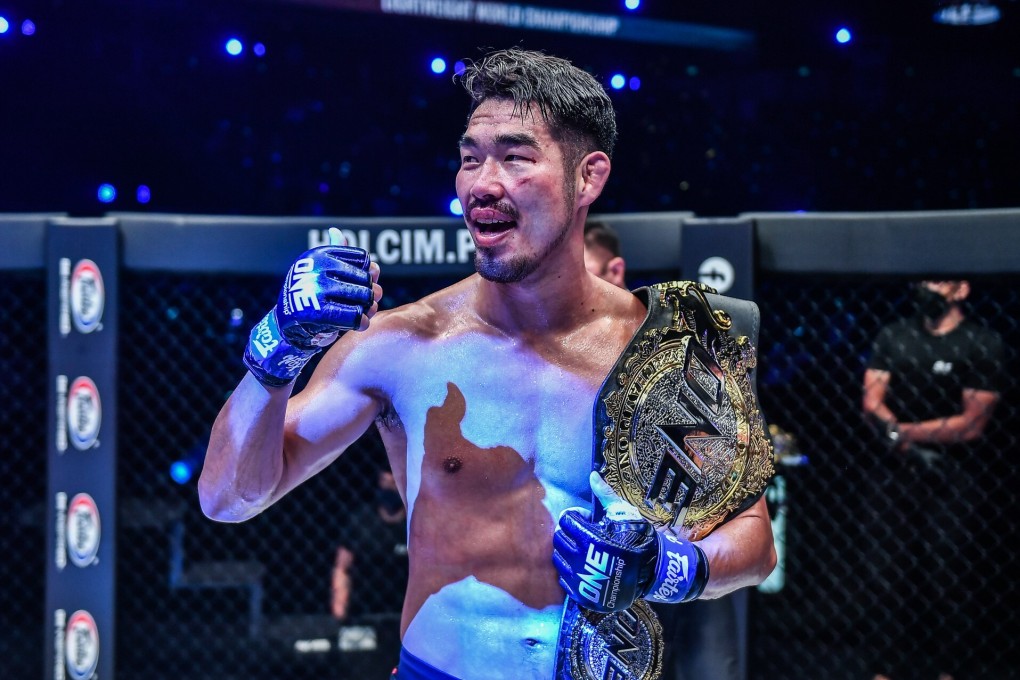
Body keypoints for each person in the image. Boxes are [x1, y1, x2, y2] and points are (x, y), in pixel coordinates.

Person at [199, 48, 775, 680]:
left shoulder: (672, 347)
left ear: (589, 177)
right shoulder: (401, 344)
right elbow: (228, 498)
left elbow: (754, 544)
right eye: (470, 158)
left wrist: (668, 567)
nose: (482, 183)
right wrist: (275, 352)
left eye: (515, 156)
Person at [583, 220, 752, 680]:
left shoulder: (681, 352)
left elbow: (755, 539)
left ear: (616, 268)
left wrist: (670, 562)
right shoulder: (540, 364)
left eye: (586, 272)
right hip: (598, 590)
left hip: (689, 566)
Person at [862, 280, 1003, 680]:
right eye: (924, 280)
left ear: (962, 290)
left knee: (950, 577)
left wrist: (902, 432)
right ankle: (883, 671)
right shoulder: (895, 336)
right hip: (894, 474)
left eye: (939, 281)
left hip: (955, 475)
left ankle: (951, 672)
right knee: (885, 576)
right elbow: (871, 403)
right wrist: (902, 440)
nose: (928, 288)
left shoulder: (981, 343)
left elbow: (972, 423)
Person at [332, 466, 408, 678]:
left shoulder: (415, 522)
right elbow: (342, 566)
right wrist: (340, 608)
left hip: (405, 618)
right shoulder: (362, 521)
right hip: (362, 615)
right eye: (386, 483)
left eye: (394, 484)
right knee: (359, 670)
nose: (390, 489)